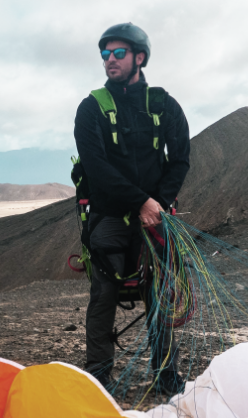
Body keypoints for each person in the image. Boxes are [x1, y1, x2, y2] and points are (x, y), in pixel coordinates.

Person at [73, 23, 190, 395]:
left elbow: (181, 159)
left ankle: (166, 375)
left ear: (140, 57)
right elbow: (96, 168)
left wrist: (159, 203)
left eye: (118, 53)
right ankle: (99, 376)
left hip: (156, 216)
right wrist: (140, 202)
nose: (110, 60)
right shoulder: (91, 108)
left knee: (159, 292)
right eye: (105, 54)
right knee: (104, 292)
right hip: (110, 215)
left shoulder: (164, 105)